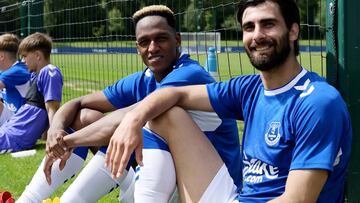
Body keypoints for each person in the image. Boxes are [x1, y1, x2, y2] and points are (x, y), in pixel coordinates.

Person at [105, 0, 352, 202]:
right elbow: (174, 94)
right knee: (165, 113)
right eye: (249, 27)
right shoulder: (250, 88)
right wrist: (132, 120)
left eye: (268, 24)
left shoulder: (317, 102)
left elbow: (297, 200)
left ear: (293, 31)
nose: (258, 35)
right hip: (238, 199)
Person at [17, 5, 242, 203]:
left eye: (160, 38)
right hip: (166, 178)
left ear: (178, 40)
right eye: (144, 42)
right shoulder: (143, 78)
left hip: (209, 185)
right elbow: (77, 102)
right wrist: (56, 129)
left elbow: (132, 116)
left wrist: (67, 143)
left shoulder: (189, 74)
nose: (152, 47)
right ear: (137, 48)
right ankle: (31, 200)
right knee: (85, 116)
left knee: (147, 119)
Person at [0, 32, 63, 154]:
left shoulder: (50, 72)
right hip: (12, 128)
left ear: (37, 55)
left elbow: (52, 108)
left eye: (25, 56)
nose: (23, 61)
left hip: (15, 136)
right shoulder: (36, 75)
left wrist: (52, 136)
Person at [0, 33, 30, 127]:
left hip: (18, 120)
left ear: (1, 56)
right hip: (10, 116)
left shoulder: (17, 71)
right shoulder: (7, 71)